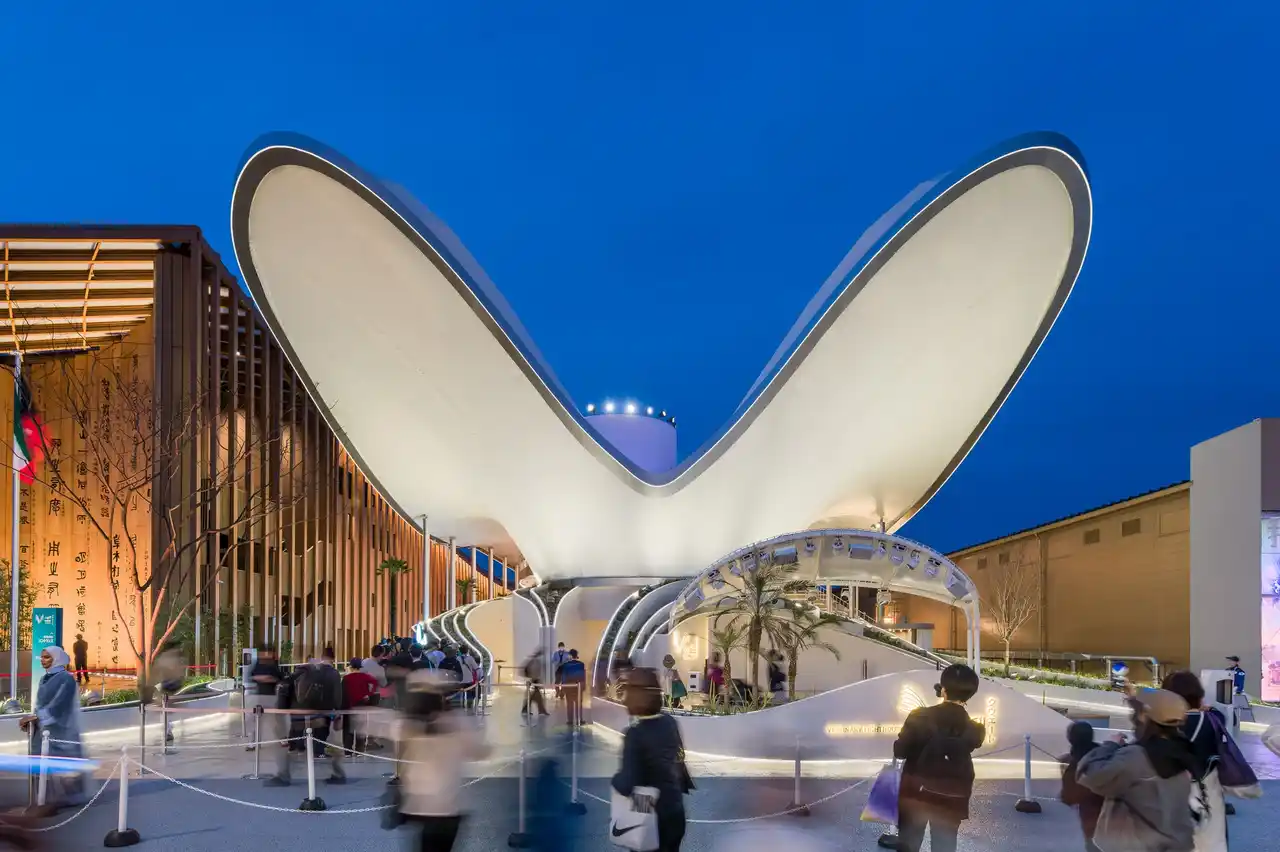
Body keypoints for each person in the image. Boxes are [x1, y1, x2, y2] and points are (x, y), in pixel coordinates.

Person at [1077, 688, 1198, 852]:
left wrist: (1111, 745)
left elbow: (1088, 774)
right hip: (1175, 844)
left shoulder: (1136, 756)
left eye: (1137, 711)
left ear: (1145, 715)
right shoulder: (1183, 750)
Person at [892, 663, 985, 852]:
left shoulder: (919, 716)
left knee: (908, 843)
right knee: (945, 846)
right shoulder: (975, 729)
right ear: (970, 694)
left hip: (916, 794)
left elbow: (900, 750)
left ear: (943, 690)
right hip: (953, 796)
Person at [399, 669, 489, 852]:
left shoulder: (408, 724)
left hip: (417, 804)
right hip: (447, 805)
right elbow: (478, 752)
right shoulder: (456, 722)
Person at [611, 667, 693, 852]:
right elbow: (678, 760)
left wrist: (615, 780)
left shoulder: (635, 734)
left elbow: (626, 784)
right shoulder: (669, 722)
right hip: (675, 812)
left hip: (649, 819)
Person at [1162, 671, 1229, 852]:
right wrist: (1209, 709)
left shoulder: (1160, 725)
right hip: (1206, 792)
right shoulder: (1211, 720)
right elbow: (1222, 718)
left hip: (1170, 793)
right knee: (1212, 842)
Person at [19, 646, 85, 808]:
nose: (43, 660)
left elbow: (60, 704)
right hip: (42, 730)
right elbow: (40, 704)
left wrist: (38, 717)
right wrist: (32, 720)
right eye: (42, 657)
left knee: (64, 767)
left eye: (47, 657)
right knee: (39, 764)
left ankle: (70, 799)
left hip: (61, 729)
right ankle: (44, 800)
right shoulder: (44, 678)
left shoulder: (66, 679)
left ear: (57, 658)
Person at [266, 655, 346, 787]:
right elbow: (337, 698)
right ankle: (338, 774)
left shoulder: (295, 675)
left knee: (287, 745)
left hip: (298, 716)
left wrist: (281, 716)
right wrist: (337, 713)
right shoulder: (332, 674)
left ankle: (283, 775)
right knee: (333, 744)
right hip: (323, 716)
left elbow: (282, 696)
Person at [1059, 721, 1105, 852]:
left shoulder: (1075, 763)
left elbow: (1068, 797)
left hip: (1092, 818)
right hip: (1113, 815)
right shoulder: (1102, 753)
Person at [246, 646, 283, 751]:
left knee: (275, 721)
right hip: (259, 696)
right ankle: (253, 743)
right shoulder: (257, 664)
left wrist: (269, 679)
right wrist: (261, 678)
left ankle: (283, 739)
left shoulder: (274, 665)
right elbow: (251, 676)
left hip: (271, 697)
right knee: (254, 720)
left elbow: (279, 678)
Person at [342, 656, 378, 756]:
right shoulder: (365, 676)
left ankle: (348, 751)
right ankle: (359, 750)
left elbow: (343, 693)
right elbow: (375, 683)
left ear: (351, 667)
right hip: (362, 705)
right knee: (360, 728)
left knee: (348, 729)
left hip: (349, 706)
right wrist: (369, 694)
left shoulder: (346, 678)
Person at [558, 649, 587, 726]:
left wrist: (562, 688)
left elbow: (564, 677)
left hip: (569, 687)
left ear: (570, 655)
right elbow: (583, 676)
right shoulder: (581, 664)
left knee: (569, 704)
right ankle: (579, 719)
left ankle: (570, 721)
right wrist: (583, 686)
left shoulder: (566, 665)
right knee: (579, 704)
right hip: (578, 687)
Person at [521, 649, 549, 717]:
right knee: (534, 697)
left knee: (532, 697)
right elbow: (532, 672)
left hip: (533, 681)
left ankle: (527, 710)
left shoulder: (533, 661)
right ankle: (541, 711)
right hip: (533, 681)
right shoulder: (535, 661)